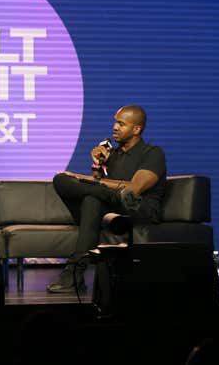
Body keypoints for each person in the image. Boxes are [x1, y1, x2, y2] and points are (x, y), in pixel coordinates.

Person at [47, 105, 166, 293]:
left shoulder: (152, 153)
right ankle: (74, 276)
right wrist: (97, 166)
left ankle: (73, 274)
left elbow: (135, 189)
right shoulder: (113, 155)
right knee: (64, 181)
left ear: (137, 129)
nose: (115, 127)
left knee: (106, 195)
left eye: (121, 124)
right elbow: (100, 185)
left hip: (138, 209)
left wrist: (88, 181)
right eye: (115, 122)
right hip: (112, 208)